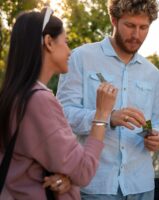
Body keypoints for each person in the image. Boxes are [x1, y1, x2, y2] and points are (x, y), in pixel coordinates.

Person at [0, 8, 117, 200]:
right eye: (66, 42)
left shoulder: (12, 95)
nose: (70, 51)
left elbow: (28, 160)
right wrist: (102, 114)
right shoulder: (39, 101)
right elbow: (84, 170)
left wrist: (66, 178)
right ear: (48, 42)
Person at [56, 0, 159, 199]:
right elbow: (62, 116)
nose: (136, 35)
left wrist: (156, 135)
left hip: (141, 186)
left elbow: (155, 120)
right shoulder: (80, 58)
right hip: (95, 185)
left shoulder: (152, 73)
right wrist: (108, 117)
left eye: (143, 27)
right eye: (130, 25)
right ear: (113, 20)